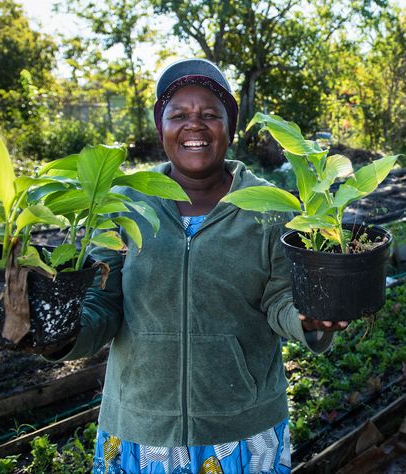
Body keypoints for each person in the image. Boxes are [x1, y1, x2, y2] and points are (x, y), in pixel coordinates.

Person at [46, 58, 349, 473]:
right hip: (139, 428)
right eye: (179, 115)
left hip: (243, 430)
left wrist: (308, 318)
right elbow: (103, 305)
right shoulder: (123, 204)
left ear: (230, 127)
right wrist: (56, 333)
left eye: (210, 114)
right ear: (161, 127)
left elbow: (280, 298)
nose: (195, 126)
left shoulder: (269, 206)